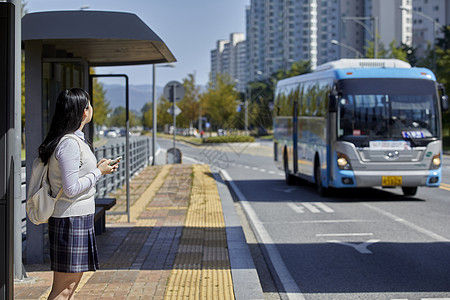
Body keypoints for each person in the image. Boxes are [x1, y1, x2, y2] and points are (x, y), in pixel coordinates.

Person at [38, 88, 118, 299]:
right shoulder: (69, 144)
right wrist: (98, 172)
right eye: (89, 105)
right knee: (63, 290)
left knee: (69, 288)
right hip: (70, 220)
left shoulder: (73, 140)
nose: (91, 109)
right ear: (84, 112)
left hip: (75, 219)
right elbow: (71, 188)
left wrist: (98, 169)